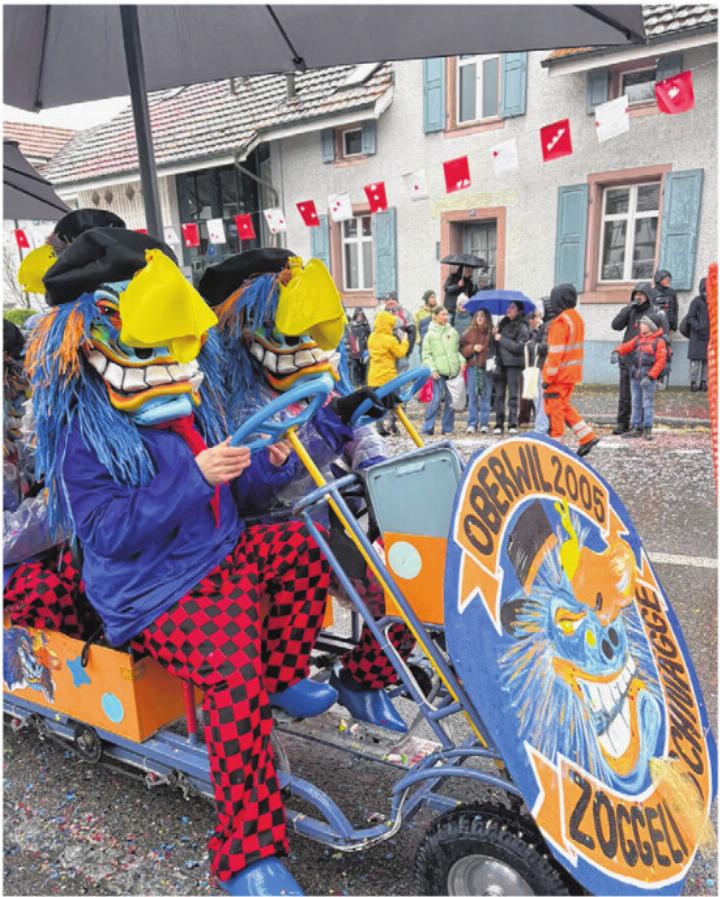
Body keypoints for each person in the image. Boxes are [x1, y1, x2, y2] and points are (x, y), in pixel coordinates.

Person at [11, 227, 334, 896]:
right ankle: (245, 854)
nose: (171, 363)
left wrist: (265, 461)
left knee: (305, 548)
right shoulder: (81, 433)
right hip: (152, 591)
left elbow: (234, 493)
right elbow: (106, 532)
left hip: (218, 555)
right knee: (231, 671)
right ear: (90, 339)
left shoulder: (185, 401)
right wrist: (195, 476)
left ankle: (276, 679)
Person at [541, 284, 600, 457]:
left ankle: (555, 447)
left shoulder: (560, 322)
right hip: (571, 374)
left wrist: (548, 377)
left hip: (558, 376)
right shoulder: (576, 319)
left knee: (554, 410)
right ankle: (586, 436)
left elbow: (555, 354)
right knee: (563, 406)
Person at [610, 283, 664, 434]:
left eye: (641, 294)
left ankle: (641, 425)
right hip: (628, 358)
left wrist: (659, 370)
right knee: (625, 394)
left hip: (646, 362)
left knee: (643, 397)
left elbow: (662, 336)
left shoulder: (655, 312)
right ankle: (623, 423)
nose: (638, 297)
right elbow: (616, 325)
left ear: (648, 296)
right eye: (636, 294)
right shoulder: (630, 309)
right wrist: (628, 308)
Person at [613, 315, 668, 440]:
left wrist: (650, 377)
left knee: (647, 403)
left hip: (648, 377)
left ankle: (647, 428)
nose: (640, 326)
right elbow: (626, 346)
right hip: (635, 375)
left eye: (643, 324)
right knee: (636, 402)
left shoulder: (659, 342)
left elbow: (661, 361)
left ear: (650, 326)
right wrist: (617, 352)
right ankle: (636, 427)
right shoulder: (638, 339)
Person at [421, 306, 465, 436]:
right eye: (442, 314)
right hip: (438, 374)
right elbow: (426, 356)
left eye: (447, 314)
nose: (446, 317)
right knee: (435, 401)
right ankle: (427, 428)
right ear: (435, 316)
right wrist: (432, 370)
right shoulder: (429, 335)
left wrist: (461, 361)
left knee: (451, 402)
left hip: (452, 373)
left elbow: (456, 351)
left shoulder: (453, 332)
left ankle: (448, 428)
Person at [368, 309, 409, 436]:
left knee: (378, 402)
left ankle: (379, 426)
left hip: (374, 377)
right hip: (388, 377)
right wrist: (404, 340)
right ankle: (392, 423)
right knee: (396, 402)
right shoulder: (390, 340)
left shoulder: (371, 337)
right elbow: (401, 353)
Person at [491, 300, 530, 435]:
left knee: (513, 395)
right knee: (499, 395)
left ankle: (512, 423)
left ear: (519, 311)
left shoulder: (523, 326)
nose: (509, 310)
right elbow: (494, 344)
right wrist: (493, 334)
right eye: (508, 307)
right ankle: (499, 424)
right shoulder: (502, 323)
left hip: (514, 364)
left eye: (512, 307)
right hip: (500, 363)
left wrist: (501, 338)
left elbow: (519, 347)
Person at [460, 309, 494, 434]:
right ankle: (472, 423)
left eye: (483, 316)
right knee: (473, 395)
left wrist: (486, 347)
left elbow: (495, 349)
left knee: (486, 395)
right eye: (478, 315)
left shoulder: (491, 332)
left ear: (487, 318)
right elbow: (461, 350)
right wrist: (472, 348)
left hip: (487, 367)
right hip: (473, 366)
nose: (480, 318)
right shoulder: (468, 332)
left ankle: (484, 423)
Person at [682, 278, 709, 391]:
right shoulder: (696, 301)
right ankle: (693, 383)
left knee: (707, 362)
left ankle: (704, 382)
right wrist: (699, 327)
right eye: (706, 289)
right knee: (695, 362)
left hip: (709, 337)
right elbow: (690, 317)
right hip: (697, 337)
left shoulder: (715, 302)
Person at [383, 291, 416, 373]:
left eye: (393, 299)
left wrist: (408, 350)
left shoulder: (405, 313)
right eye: (388, 300)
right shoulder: (381, 314)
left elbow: (412, 333)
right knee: (388, 374)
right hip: (386, 352)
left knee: (401, 373)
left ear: (397, 301)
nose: (390, 301)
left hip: (401, 350)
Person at [347, 307, 371, 387]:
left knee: (365, 368)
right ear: (355, 315)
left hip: (364, 351)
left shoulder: (366, 325)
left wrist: (368, 350)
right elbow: (349, 338)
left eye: (361, 315)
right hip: (354, 352)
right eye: (358, 315)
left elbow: (370, 338)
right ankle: (355, 384)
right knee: (354, 368)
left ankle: (364, 384)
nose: (360, 317)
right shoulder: (350, 326)